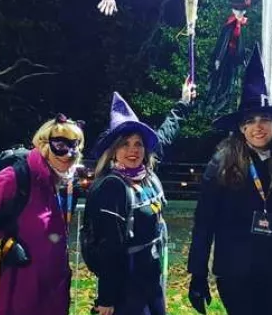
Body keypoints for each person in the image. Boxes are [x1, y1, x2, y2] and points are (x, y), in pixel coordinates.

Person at [187, 44, 272, 315]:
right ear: (241, 128)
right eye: (250, 121)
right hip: (237, 272)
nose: (258, 126)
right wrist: (197, 273)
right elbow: (204, 222)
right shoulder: (221, 164)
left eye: (264, 119)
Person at [83, 78, 196, 315]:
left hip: (152, 283)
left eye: (138, 144)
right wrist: (106, 299)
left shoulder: (146, 175)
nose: (133, 150)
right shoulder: (113, 187)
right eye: (125, 145)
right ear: (113, 150)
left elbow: (165, 135)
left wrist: (183, 103)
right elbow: (109, 249)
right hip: (127, 289)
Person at [0, 114, 85, 315]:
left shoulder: (65, 183)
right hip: (10, 294)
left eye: (75, 145)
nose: (69, 153)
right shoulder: (15, 179)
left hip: (51, 297)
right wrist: (3, 246)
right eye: (60, 144)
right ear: (44, 144)